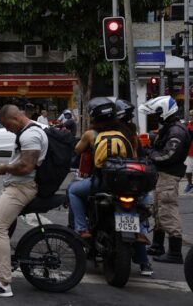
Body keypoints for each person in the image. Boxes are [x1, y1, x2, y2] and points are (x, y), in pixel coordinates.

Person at [0, 105, 47, 299]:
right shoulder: (28, 130)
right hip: (14, 186)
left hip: (21, 188)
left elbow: (26, 167)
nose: (8, 130)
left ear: (16, 118)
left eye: (8, 125)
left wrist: (2, 168)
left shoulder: (30, 135)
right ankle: (1, 265)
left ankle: (3, 283)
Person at [67, 98, 139, 240]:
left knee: (73, 190)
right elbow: (135, 157)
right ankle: (142, 244)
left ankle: (81, 228)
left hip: (103, 181)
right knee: (140, 203)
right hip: (128, 182)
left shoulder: (91, 134)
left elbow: (77, 150)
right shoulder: (129, 133)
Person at [140, 96, 190, 264]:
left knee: (168, 211)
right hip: (161, 175)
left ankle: (175, 253)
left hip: (169, 176)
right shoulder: (169, 128)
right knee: (158, 210)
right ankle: (157, 246)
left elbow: (168, 155)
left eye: (157, 113)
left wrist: (151, 154)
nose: (156, 117)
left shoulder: (176, 131)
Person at [114, 98, 154, 277]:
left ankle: (82, 233)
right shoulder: (134, 136)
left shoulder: (106, 135)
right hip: (137, 185)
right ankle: (144, 261)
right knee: (140, 215)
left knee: (77, 192)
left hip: (115, 184)